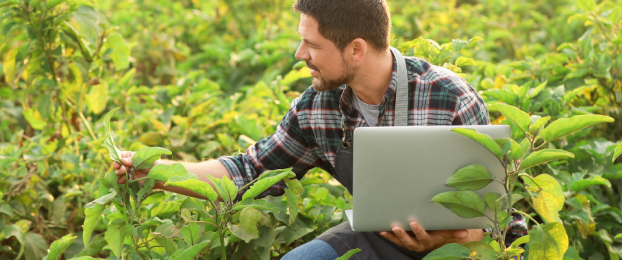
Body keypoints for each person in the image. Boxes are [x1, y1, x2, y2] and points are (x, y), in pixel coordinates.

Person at [112, 0, 528, 259]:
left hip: (466, 249)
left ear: (356, 49)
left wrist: (445, 242)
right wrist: (157, 173)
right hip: (379, 239)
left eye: (311, 45)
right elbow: (246, 171)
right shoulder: (318, 107)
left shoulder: (450, 97)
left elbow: (495, 219)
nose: (299, 54)